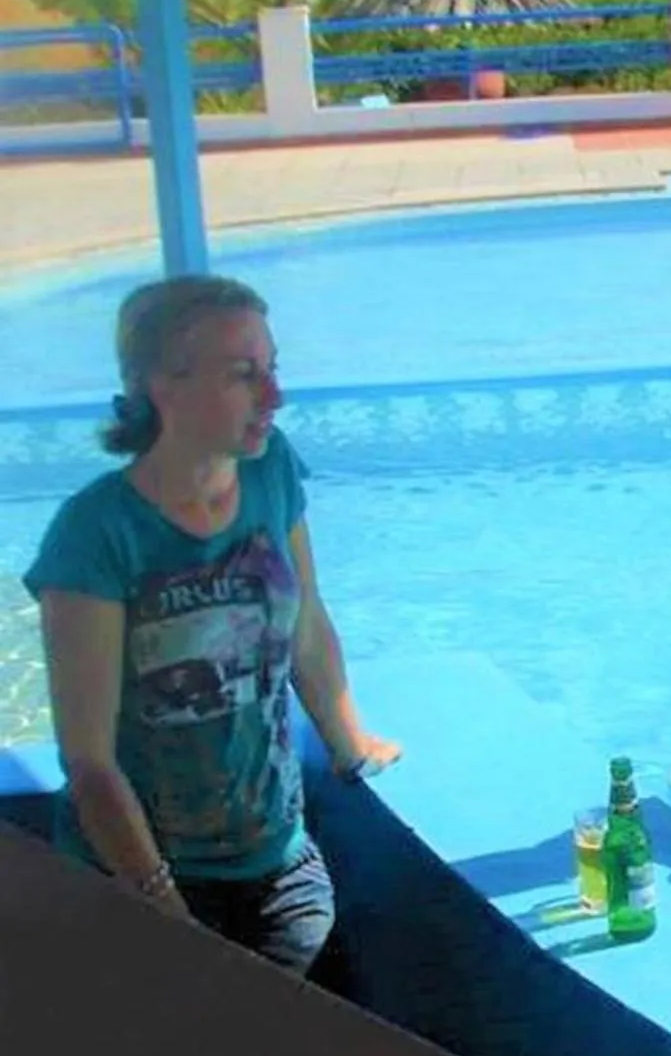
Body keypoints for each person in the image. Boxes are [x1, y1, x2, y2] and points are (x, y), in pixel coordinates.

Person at [25, 275, 400, 976]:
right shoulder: (96, 535)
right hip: (138, 876)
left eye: (272, 368)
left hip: (277, 864)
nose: (274, 396)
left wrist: (351, 744)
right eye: (243, 375)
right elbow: (89, 759)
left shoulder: (271, 472)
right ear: (163, 387)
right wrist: (160, 903)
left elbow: (306, 621)